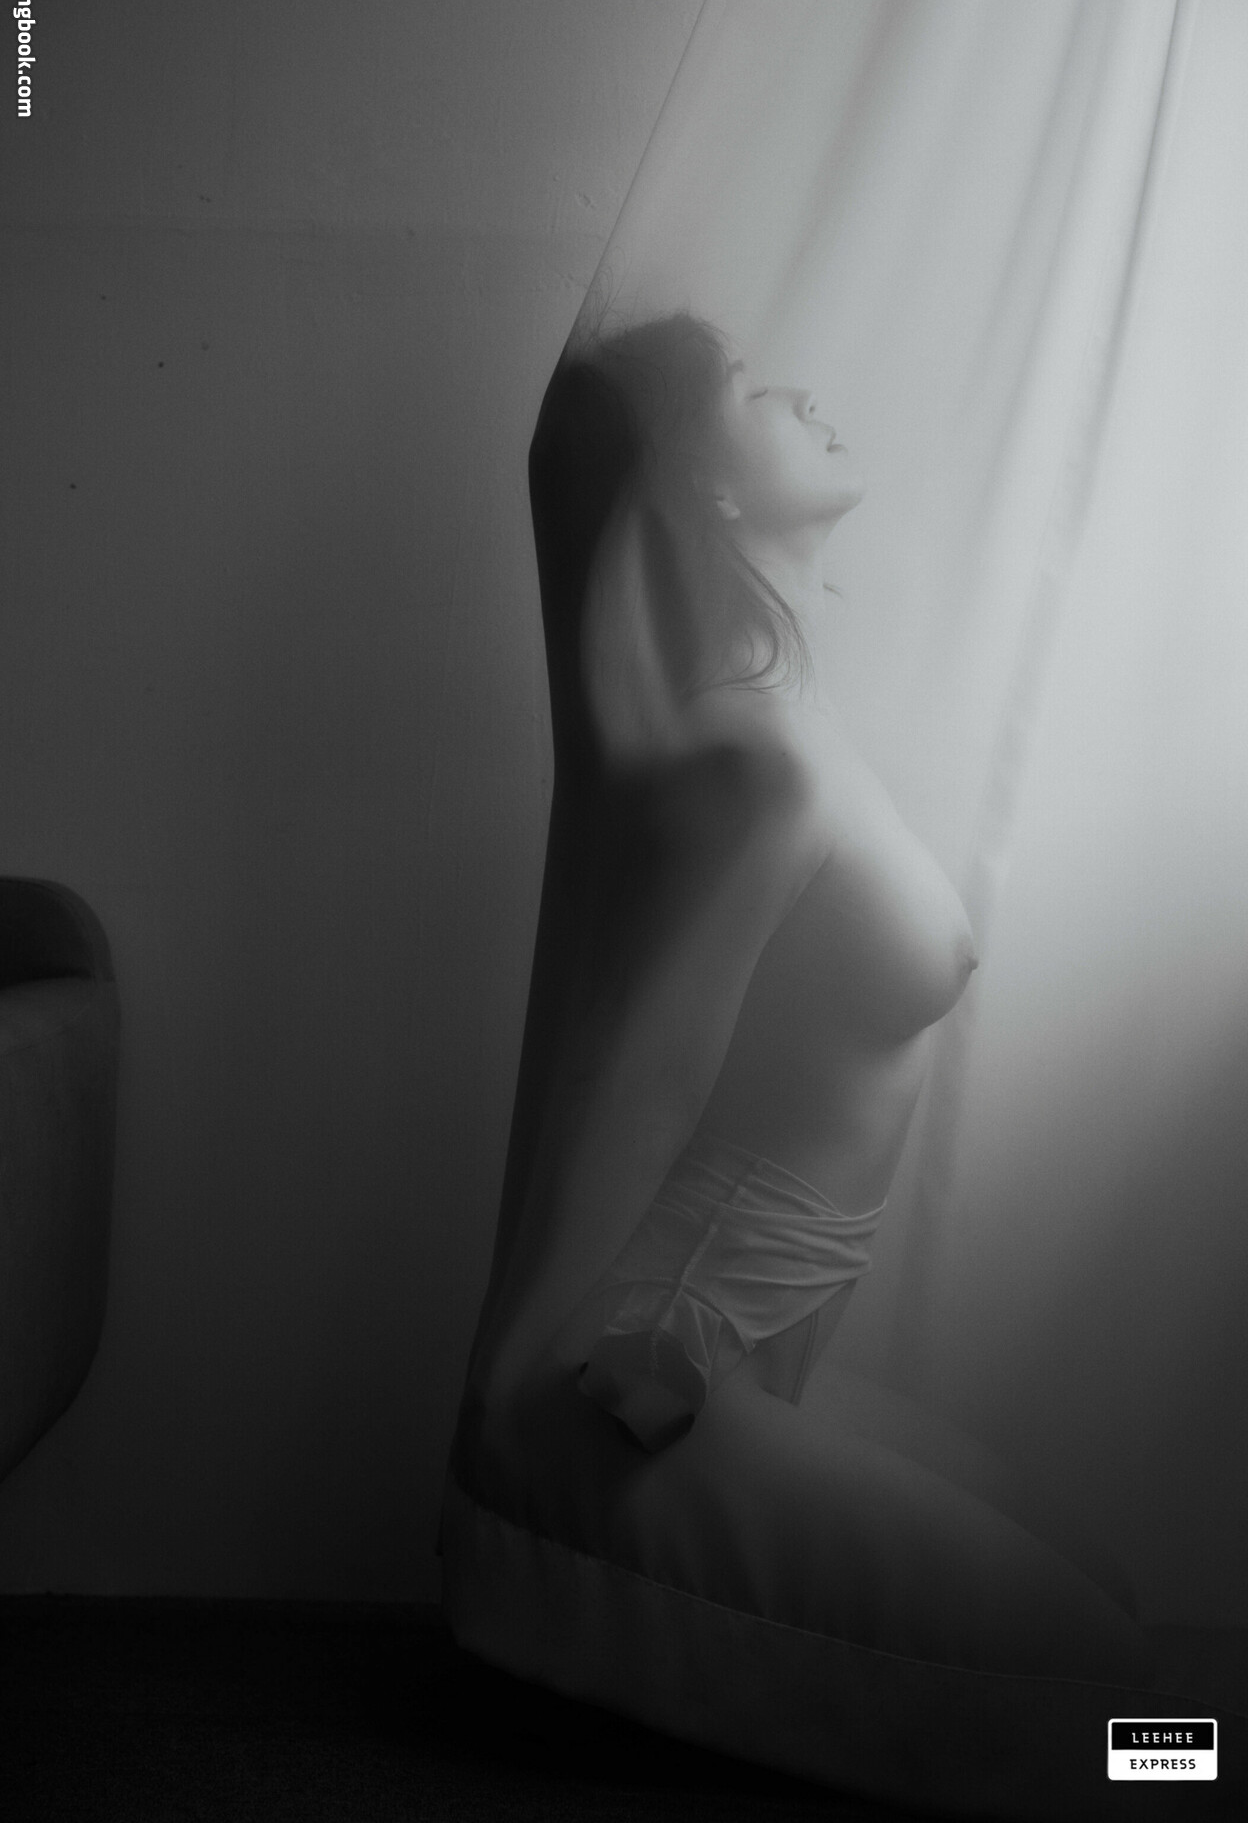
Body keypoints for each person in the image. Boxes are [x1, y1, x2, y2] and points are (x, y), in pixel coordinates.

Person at [446, 312, 1152, 1682]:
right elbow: (641, 1082)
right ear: (706, 490)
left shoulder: (793, 724)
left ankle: (1185, 1772)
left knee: (1113, 1603)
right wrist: (504, 1386)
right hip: (644, 1364)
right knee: (1117, 1694)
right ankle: (1196, 1780)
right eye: (748, 387)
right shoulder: (750, 765)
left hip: (746, 1348)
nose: (801, 393)